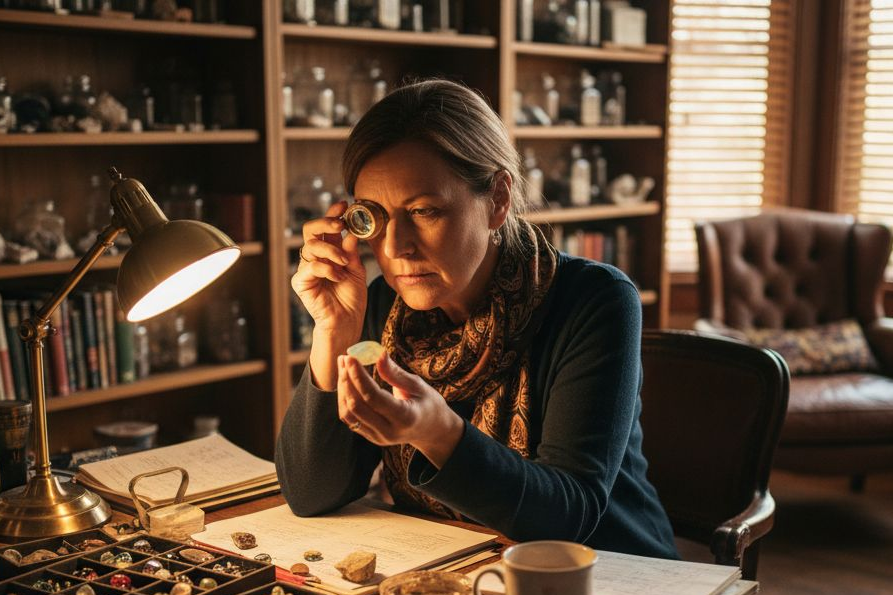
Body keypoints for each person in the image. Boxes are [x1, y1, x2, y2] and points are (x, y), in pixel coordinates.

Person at [275, 79, 677, 559]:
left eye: (425, 211)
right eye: (375, 218)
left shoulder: (595, 301)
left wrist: (437, 433)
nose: (396, 247)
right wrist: (333, 334)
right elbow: (311, 494)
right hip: (456, 570)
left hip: (611, 577)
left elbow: (570, 515)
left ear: (499, 199)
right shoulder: (380, 306)